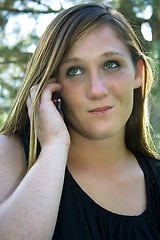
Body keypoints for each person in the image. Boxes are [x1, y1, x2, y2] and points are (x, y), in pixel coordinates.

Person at [0, 2, 160, 239]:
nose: (97, 90)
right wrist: (54, 148)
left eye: (111, 64)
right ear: (51, 86)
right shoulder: (10, 154)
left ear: (139, 73)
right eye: (75, 70)